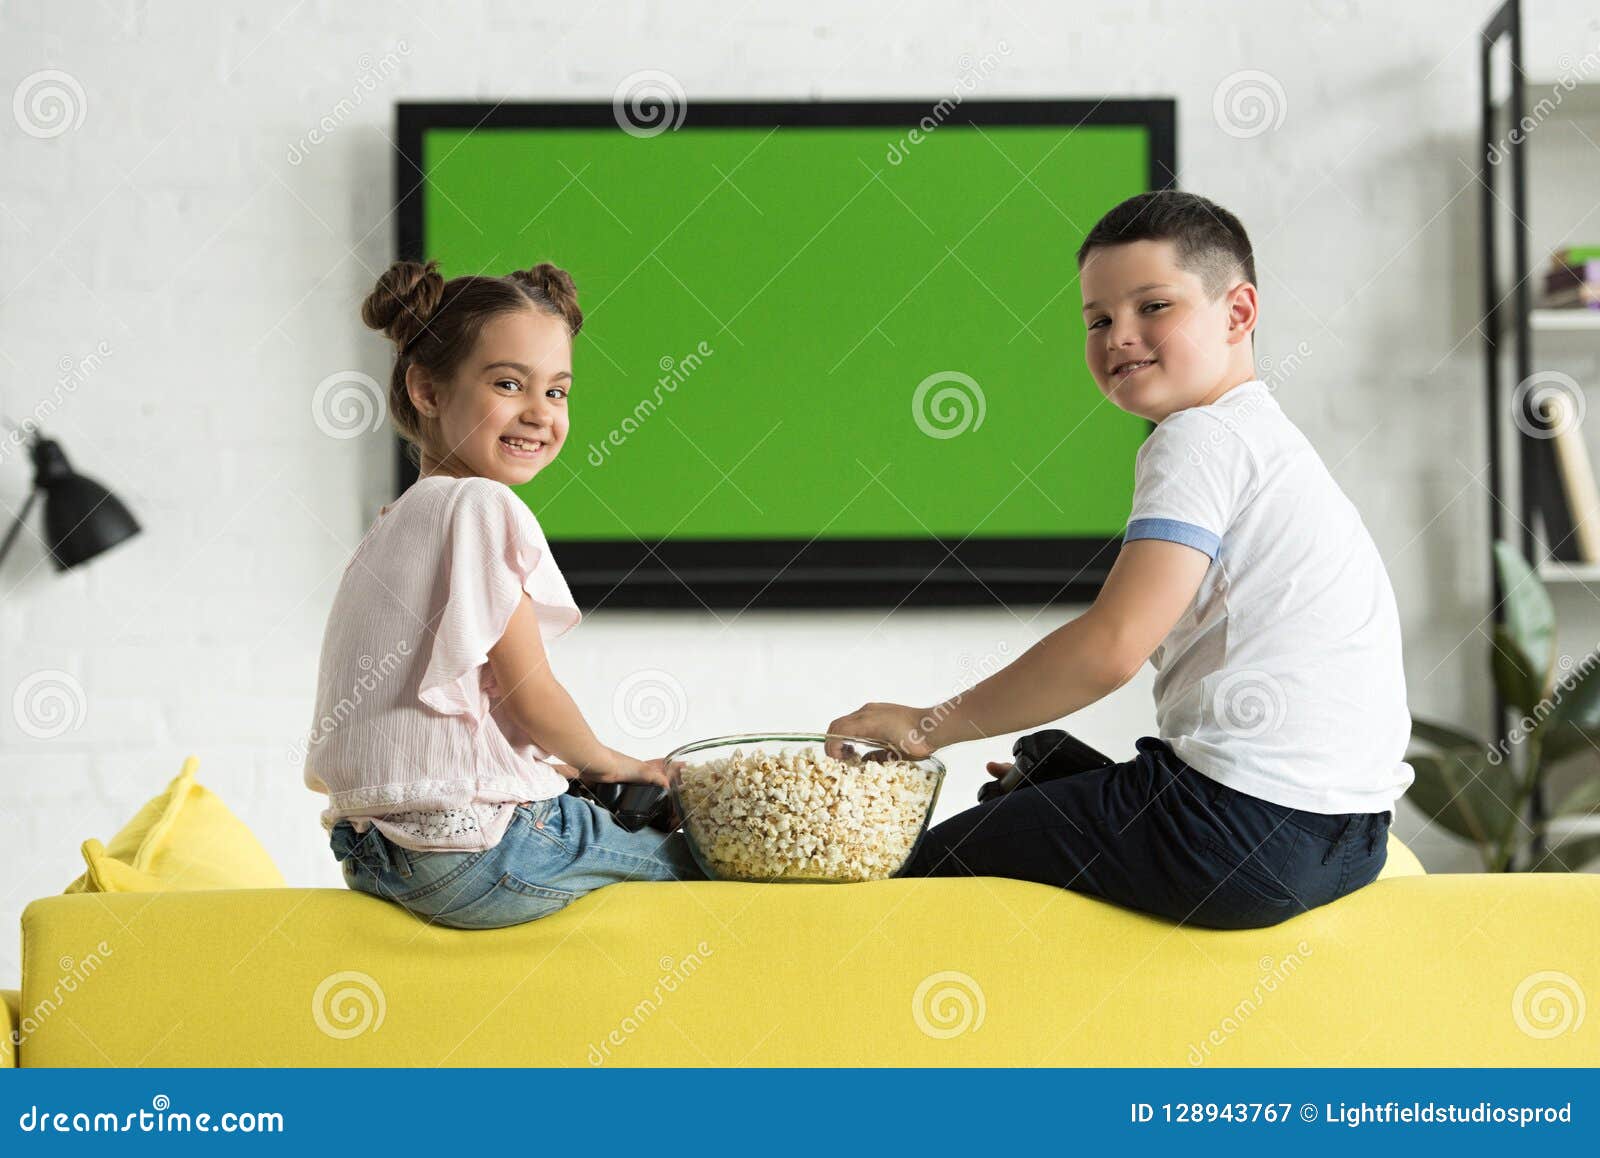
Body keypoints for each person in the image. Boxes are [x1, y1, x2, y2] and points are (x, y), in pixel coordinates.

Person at [828, 190, 1409, 930]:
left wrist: (925, 727)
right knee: (1048, 777)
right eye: (1098, 320)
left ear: (1238, 313)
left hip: (1240, 833)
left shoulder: (1199, 440)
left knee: (921, 870)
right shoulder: (1271, 444)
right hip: (1350, 836)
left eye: (1153, 307)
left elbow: (1112, 648)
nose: (1119, 337)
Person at [303, 258, 701, 930]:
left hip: (375, 854)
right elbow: (529, 693)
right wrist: (615, 763)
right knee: (701, 864)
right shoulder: (481, 505)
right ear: (426, 388)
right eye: (509, 384)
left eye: (558, 392)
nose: (539, 414)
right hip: (475, 852)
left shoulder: (392, 526)